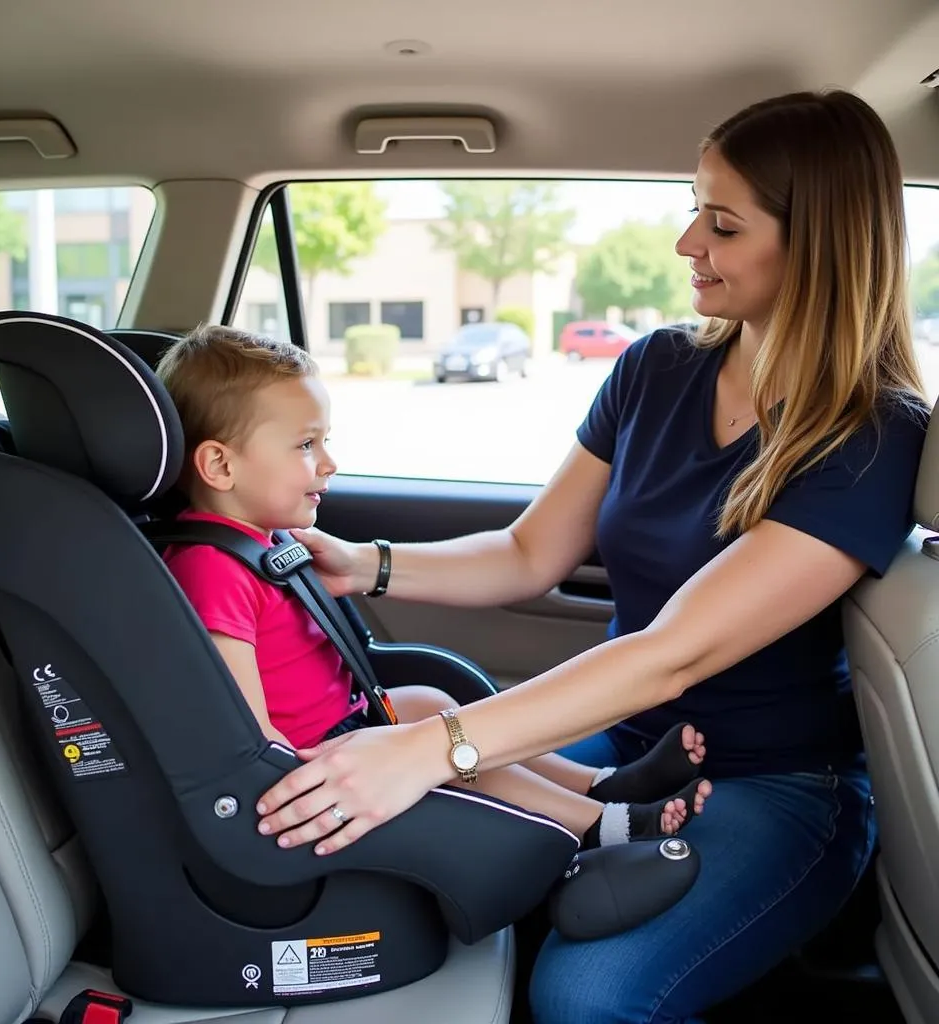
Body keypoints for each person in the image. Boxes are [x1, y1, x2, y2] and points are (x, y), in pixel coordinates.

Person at [253, 88, 931, 1023]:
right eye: (693, 209)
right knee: (452, 875)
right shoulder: (657, 367)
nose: (688, 242)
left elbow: (675, 649)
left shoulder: (871, 436)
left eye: (722, 223)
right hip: (630, 747)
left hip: (777, 785)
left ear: (816, 244)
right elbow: (531, 552)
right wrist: (364, 564)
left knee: (585, 995)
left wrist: (433, 746)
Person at [155, 325, 712, 852]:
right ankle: (601, 826)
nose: (329, 463)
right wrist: (308, 774)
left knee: (434, 705)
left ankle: (601, 784)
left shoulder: (265, 541)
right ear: (219, 466)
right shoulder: (210, 567)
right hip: (312, 767)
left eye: (325, 441)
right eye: (305, 446)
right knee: (449, 745)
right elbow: (245, 732)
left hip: (341, 725)